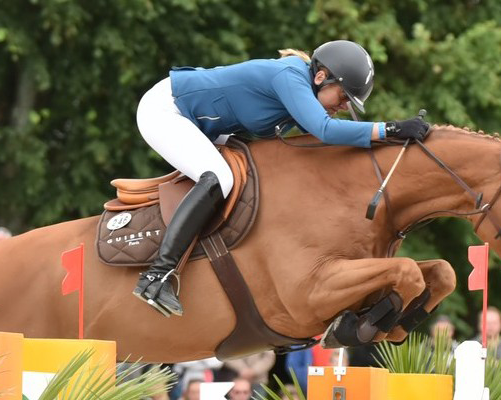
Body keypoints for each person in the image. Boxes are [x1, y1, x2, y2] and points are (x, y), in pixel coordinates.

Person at [130, 40, 431, 317]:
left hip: (205, 123)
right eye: (342, 96)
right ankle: (157, 276)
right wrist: (389, 129)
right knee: (219, 178)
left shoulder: (301, 87)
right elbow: (324, 131)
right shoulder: (289, 76)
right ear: (321, 77)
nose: (343, 106)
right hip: (167, 109)